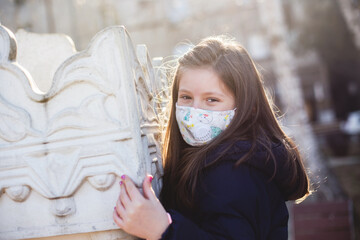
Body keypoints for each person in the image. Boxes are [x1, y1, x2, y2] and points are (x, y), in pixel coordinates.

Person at [113, 35, 310, 240]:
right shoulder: (217, 160)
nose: (194, 111)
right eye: (186, 97)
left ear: (247, 107)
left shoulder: (235, 171)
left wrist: (163, 230)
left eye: (211, 100)